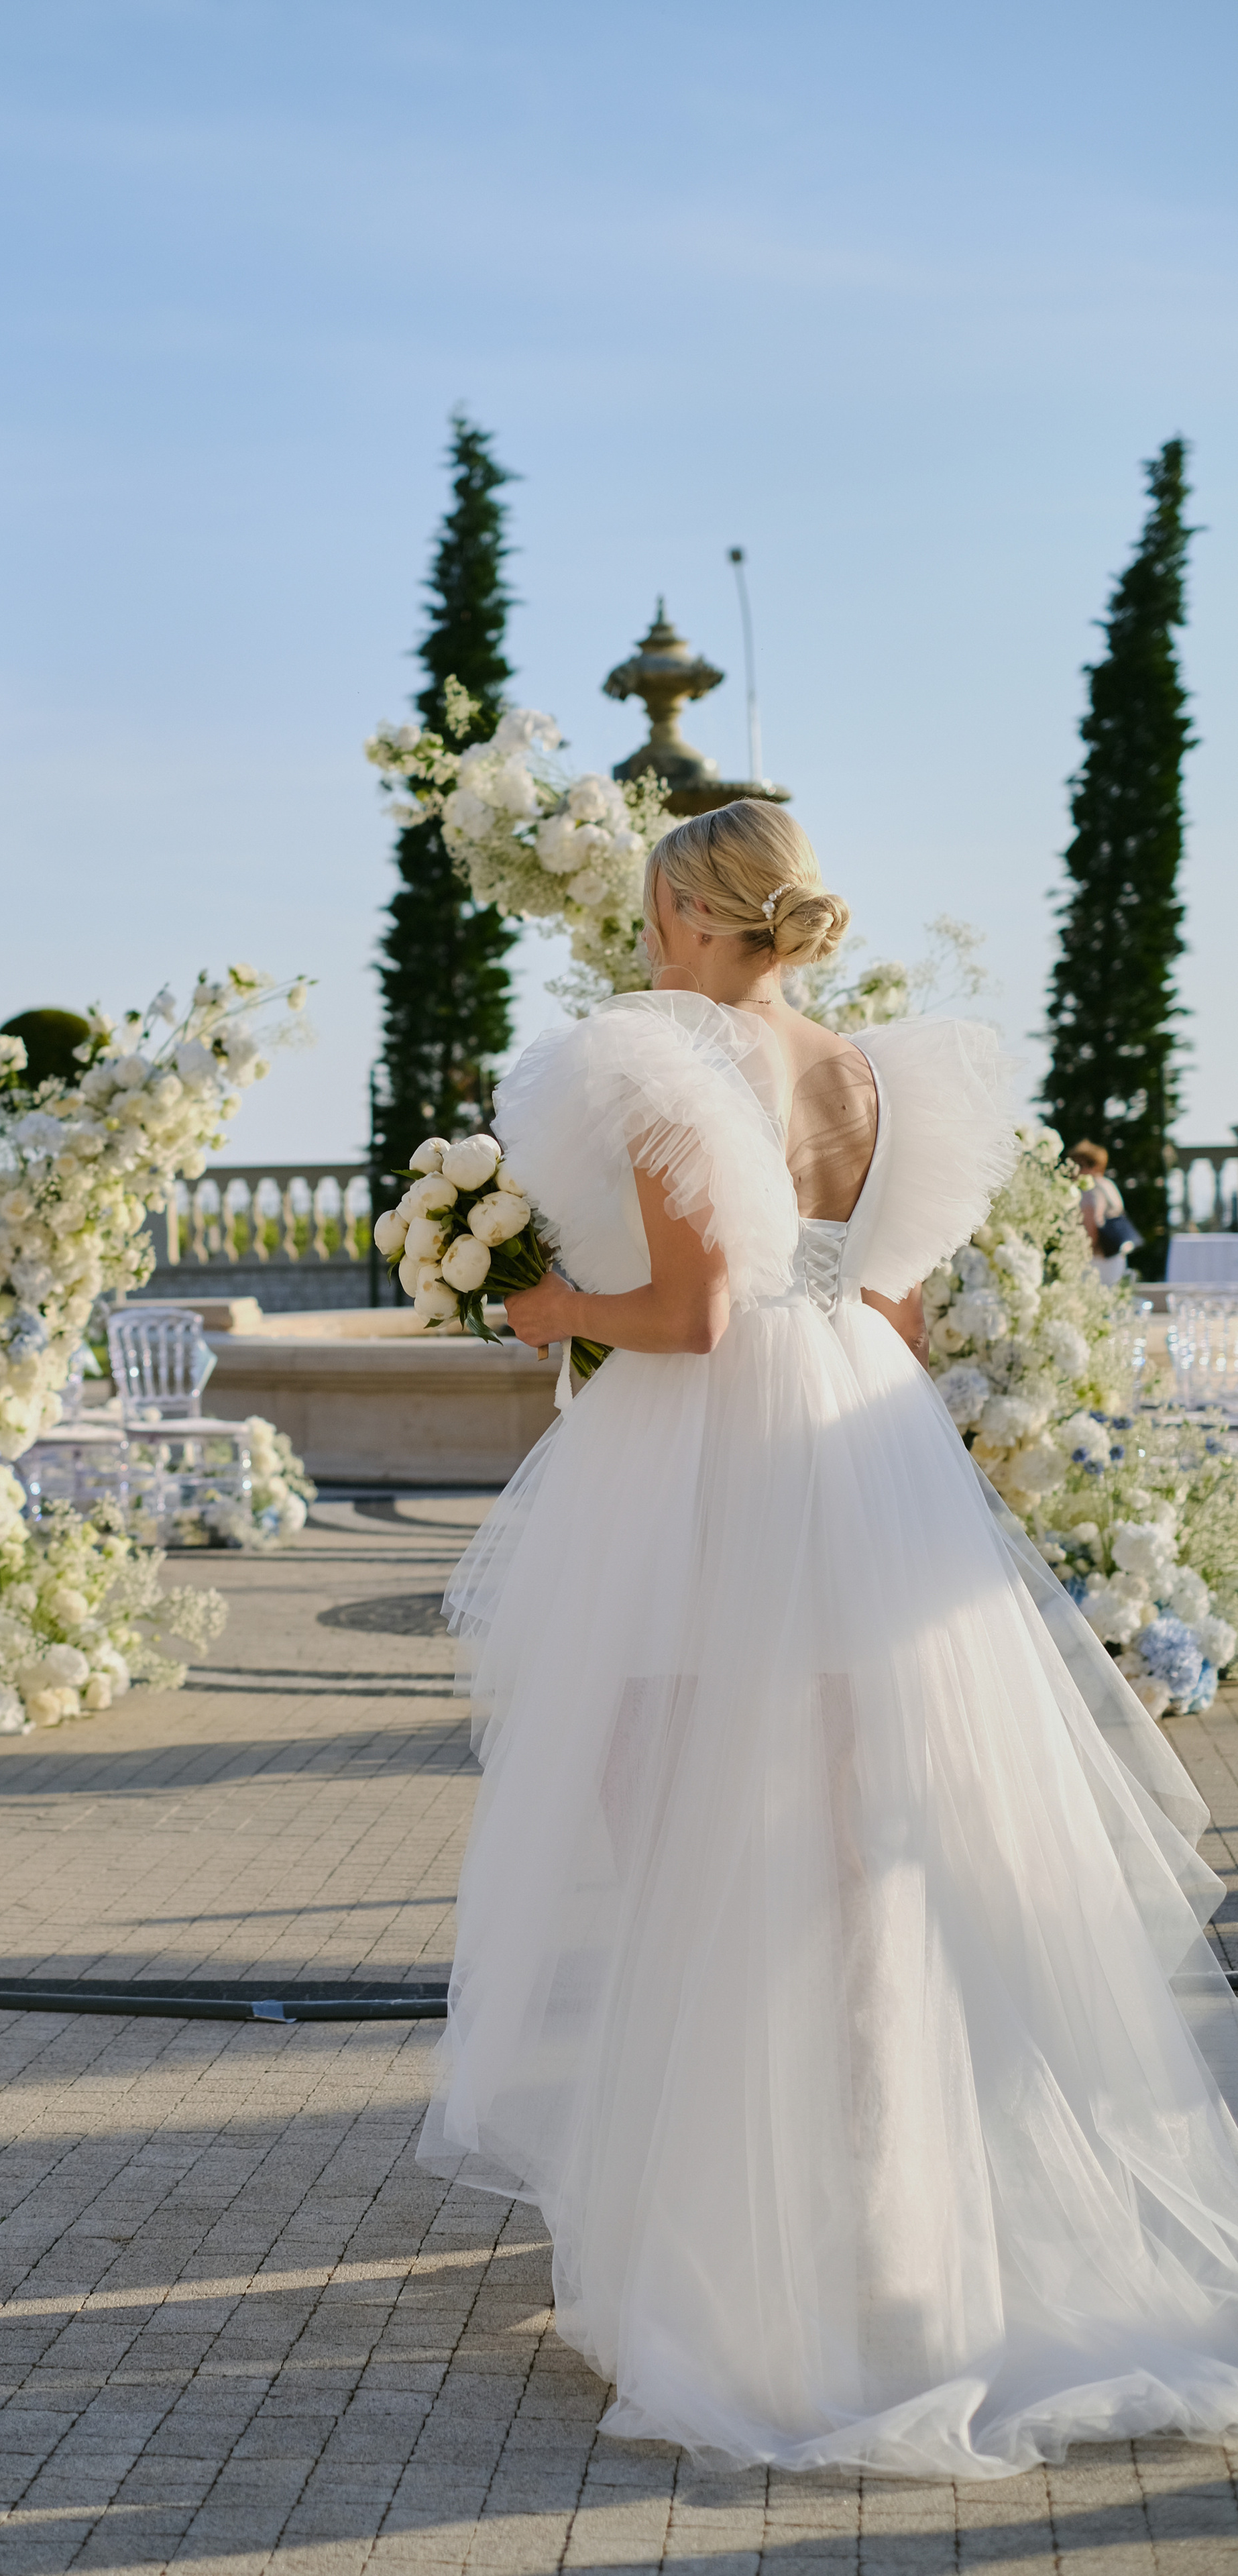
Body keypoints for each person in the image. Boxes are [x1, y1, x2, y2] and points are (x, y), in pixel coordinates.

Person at [420, 799, 1238, 2479]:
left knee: (680, 1834)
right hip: (862, 1442)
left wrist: (548, 1308)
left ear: (681, 909)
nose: (642, 931)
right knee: (873, 1856)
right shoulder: (870, 1075)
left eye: (655, 903)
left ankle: (736, 2247)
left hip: (715, 1450)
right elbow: (898, 1310)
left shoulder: (654, 1057)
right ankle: (894, 2235)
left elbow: (696, 1312)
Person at [1072, 1138, 1138, 1286]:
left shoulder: (1090, 1188)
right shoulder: (1108, 1184)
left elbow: (1092, 1221)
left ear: (1094, 1165)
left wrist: (1083, 1255)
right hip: (1115, 1255)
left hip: (1098, 1257)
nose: (1074, 1170)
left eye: (1079, 1165)